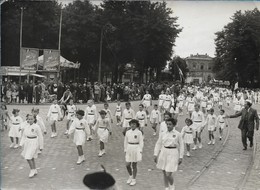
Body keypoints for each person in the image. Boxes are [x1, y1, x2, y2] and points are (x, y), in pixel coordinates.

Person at [154, 118, 184, 190]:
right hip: (164, 152)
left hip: (173, 153)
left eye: (170, 124)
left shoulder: (178, 134)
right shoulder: (163, 133)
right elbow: (158, 143)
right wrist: (155, 154)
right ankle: (166, 187)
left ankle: (172, 185)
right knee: (164, 171)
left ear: (174, 125)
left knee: (168, 173)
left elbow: (182, 145)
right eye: (167, 124)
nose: (168, 126)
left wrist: (181, 156)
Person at [124, 119, 144, 186]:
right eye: (131, 124)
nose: (132, 125)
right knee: (127, 165)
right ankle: (130, 176)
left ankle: (134, 179)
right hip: (129, 148)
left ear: (136, 125)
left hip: (136, 148)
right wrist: (125, 149)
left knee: (134, 165)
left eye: (134, 124)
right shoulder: (128, 132)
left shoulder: (139, 132)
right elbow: (125, 141)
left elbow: (141, 142)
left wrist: (140, 150)